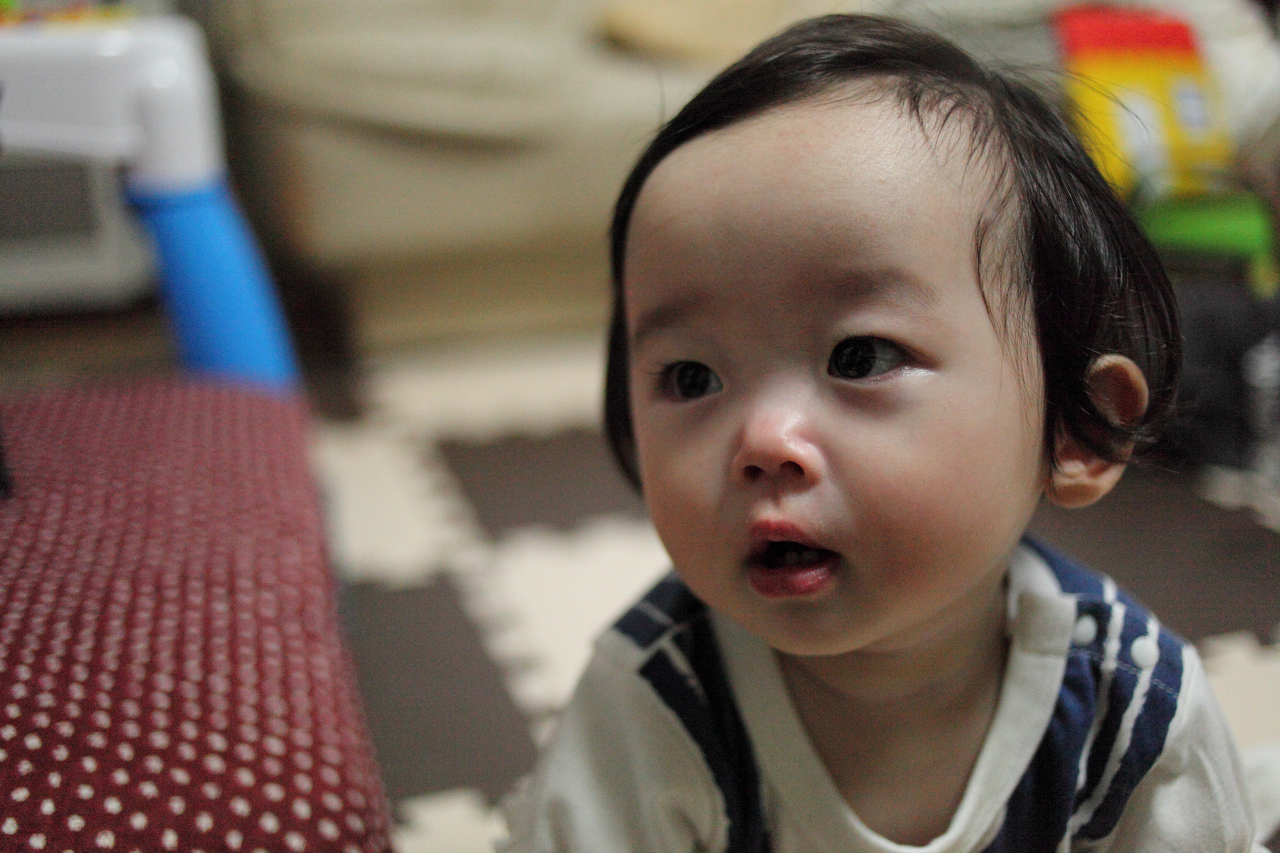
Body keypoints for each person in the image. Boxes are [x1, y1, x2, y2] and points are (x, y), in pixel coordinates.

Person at [503, 14, 1262, 851]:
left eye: (859, 356)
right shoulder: (650, 706)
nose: (763, 440)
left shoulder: (1133, 710)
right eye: (691, 377)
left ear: (1077, 430)